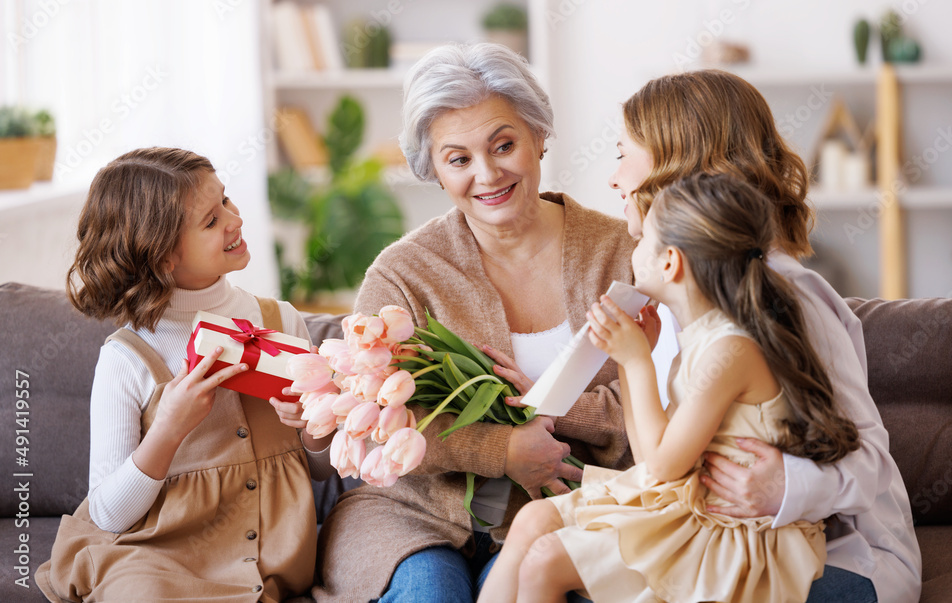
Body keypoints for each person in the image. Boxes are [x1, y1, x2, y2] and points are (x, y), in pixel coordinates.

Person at [311, 43, 635, 603]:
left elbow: (678, 399)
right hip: (413, 513)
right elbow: (371, 422)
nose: (487, 174)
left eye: (503, 145)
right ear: (434, 169)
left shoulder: (625, 253)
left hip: (565, 510)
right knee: (430, 594)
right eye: (458, 159)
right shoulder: (403, 273)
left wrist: (556, 408)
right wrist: (500, 449)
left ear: (538, 136)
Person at [607, 70, 921, 602]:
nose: (614, 179)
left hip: (841, 558)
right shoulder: (678, 292)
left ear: (675, 163)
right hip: (732, 542)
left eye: (622, 153)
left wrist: (785, 486)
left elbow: (867, 461)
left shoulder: (785, 293)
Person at [482, 172, 863, 603]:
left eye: (643, 238)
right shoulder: (702, 337)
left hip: (728, 534)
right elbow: (652, 458)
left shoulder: (731, 350)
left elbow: (662, 467)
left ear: (670, 262)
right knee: (532, 519)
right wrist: (633, 361)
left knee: (546, 560)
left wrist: (637, 360)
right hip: (685, 500)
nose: (634, 247)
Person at [35, 147, 335, 602]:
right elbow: (108, 514)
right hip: (157, 557)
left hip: (273, 555)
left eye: (227, 202)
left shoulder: (281, 320)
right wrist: (169, 429)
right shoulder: (129, 357)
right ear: (163, 259)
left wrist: (314, 428)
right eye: (211, 222)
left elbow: (319, 470)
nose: (234, 220)